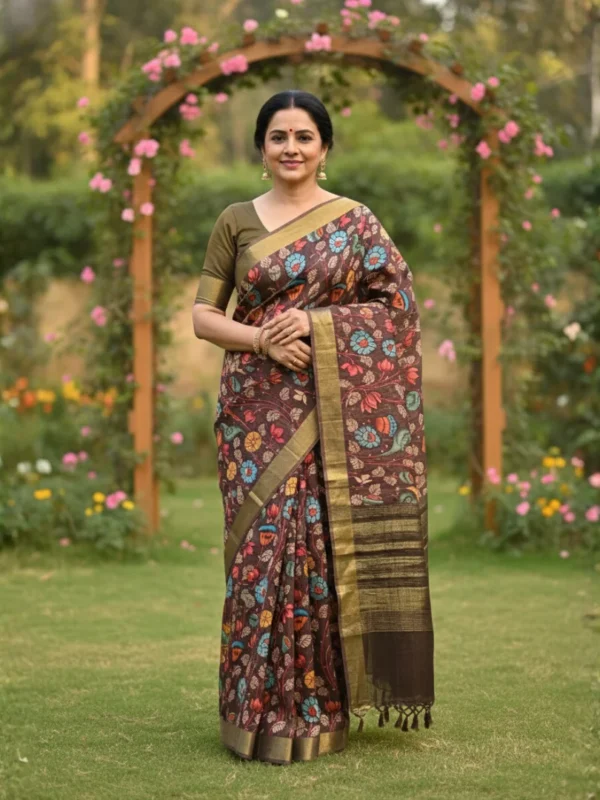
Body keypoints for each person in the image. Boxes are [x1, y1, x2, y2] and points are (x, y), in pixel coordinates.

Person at [192, 90, 435, 766]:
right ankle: (251, 709)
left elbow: (398, 310)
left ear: (325, 147)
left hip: (332, 409)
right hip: (253, 409)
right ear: (261, 146)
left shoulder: (355, 222)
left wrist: (318, 322)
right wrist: (262, 340)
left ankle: (315, 708)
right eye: (279, 136)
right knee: (259, 554)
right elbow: (203, 316)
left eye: (304, 136)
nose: (291, 148)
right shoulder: (236, 220)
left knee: (318, 555)